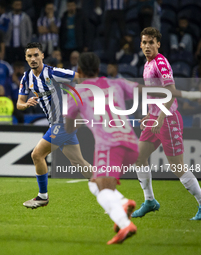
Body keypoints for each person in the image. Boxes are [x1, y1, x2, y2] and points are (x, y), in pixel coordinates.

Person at [65, 52, 139, 245]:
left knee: (103, 190)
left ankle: (125, 222)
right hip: (132, 145)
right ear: (99, 70)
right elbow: (145, 92)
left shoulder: (76, 92)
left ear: (79, 71)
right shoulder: (117, 83)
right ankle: (121, 204)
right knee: (95, 183)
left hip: (109, 146)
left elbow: (69, 127)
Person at [132, 27, 201, 220]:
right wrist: (149, 114)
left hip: (167, 119)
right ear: (140, 44)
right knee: (139, 158)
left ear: (158, 44)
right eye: (144, 42)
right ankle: (150, 201)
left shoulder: (160, 62)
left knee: (178, 167)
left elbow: (170, 91)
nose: (147, 46)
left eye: (151, 42)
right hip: (156, 118)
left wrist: (160, 117)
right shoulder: (147, 64)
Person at [17, 42, 92, 209]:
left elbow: (81, 77)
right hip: (58, 123)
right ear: (26, 58)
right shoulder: (26, 78)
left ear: (42, 56)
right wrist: (26, 103)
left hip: (63, 122)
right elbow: (19, 104)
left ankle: (42, 196)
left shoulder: (53, 72)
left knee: (37, 155)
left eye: (36, 55)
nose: (33, 59)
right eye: (29, 56)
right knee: (78, 162)